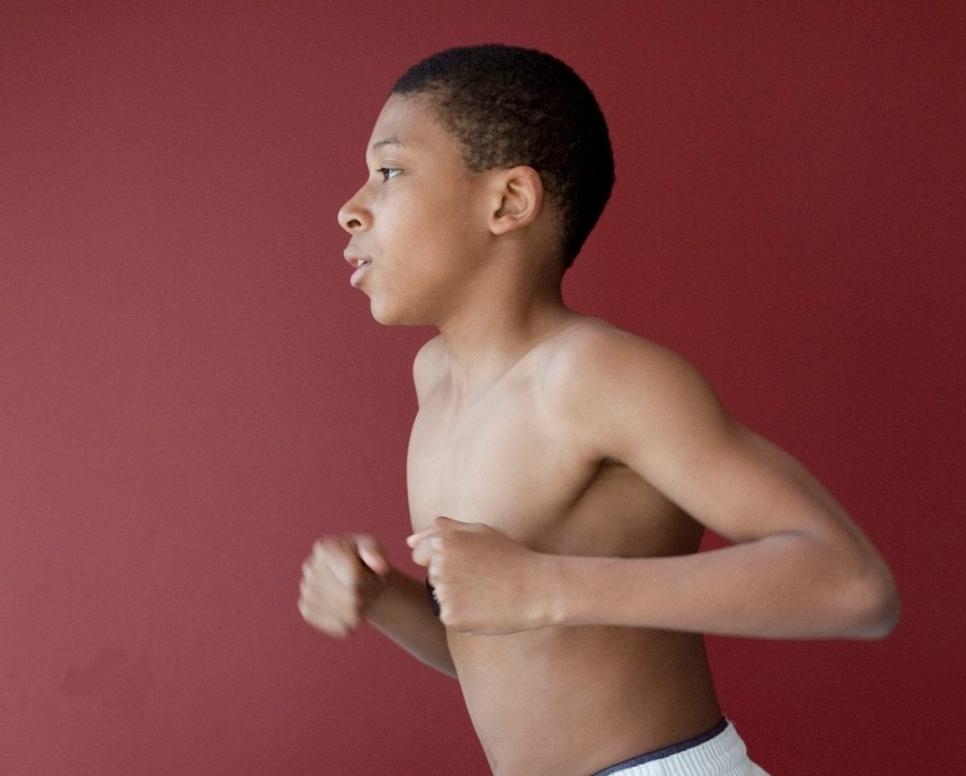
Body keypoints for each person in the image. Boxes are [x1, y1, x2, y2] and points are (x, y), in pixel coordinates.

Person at [297, 43, 899, 776]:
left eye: (387, 172)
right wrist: (384, 596)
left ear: (509, 202)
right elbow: (512, 645)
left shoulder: (594, 375)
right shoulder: (438, 379)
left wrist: (543, 585)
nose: (350, 209)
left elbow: (853, 585)